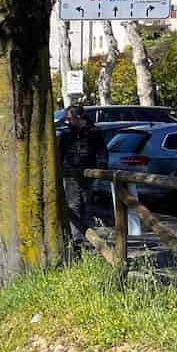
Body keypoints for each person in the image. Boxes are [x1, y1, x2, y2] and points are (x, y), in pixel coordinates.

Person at [59, 105, 102, 248]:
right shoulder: (66, 134)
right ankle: (76, 239)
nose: (67, 121)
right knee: (73, 205)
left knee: (86, 204)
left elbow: (101, 152)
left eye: (69, 118)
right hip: (70, 173)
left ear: (79, 117)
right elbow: (60, 152)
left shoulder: (94, 132)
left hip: (88, 173)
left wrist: (102, 169)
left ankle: (86, 237)